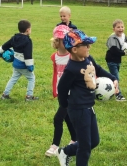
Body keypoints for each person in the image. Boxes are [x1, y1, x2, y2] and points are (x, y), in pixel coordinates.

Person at [56, 29, 119, 166]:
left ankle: (65, 151)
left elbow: (98, 69)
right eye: (86, 45)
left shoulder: (88, 58)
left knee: (94, 141)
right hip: (78, 110)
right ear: (74, 49)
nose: (89, 47)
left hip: (89, 107)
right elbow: (61, 88)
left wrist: (113, 78)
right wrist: (65, 105)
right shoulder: (71, 69)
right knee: (84, 148)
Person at [45, 25, 77, 157]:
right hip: (61, 93)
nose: (61, 43)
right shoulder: (55, 57)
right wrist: (55, 89)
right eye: (58, 40)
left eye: (64, 40)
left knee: (58, 118)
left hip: (71, 93)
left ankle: (55, 146)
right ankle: (75, 139)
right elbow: (55, 74)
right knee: (68, 117)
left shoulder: (72, 56)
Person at [0, 19, 38, 101]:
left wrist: (0, 52)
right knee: (31, 78)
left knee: (13, 78)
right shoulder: (28, 41)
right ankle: (29, 96)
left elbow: (5, 46)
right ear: (28, 30)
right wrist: (30, 66)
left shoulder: (14, 38)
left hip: (16, 64)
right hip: (24, 65)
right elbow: (28, 55)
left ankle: (5, 94)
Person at [105, 19, 127, 101]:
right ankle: (118, 95)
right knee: (116, 77)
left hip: (118, 60)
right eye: (118, 27)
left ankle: (107, 85)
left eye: (122, 27)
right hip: (111, 60)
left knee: (113, 76)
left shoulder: (123, 36)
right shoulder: (112, 38)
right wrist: (123, 53)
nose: (120, 29)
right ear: (114, 29)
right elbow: (114, 50)